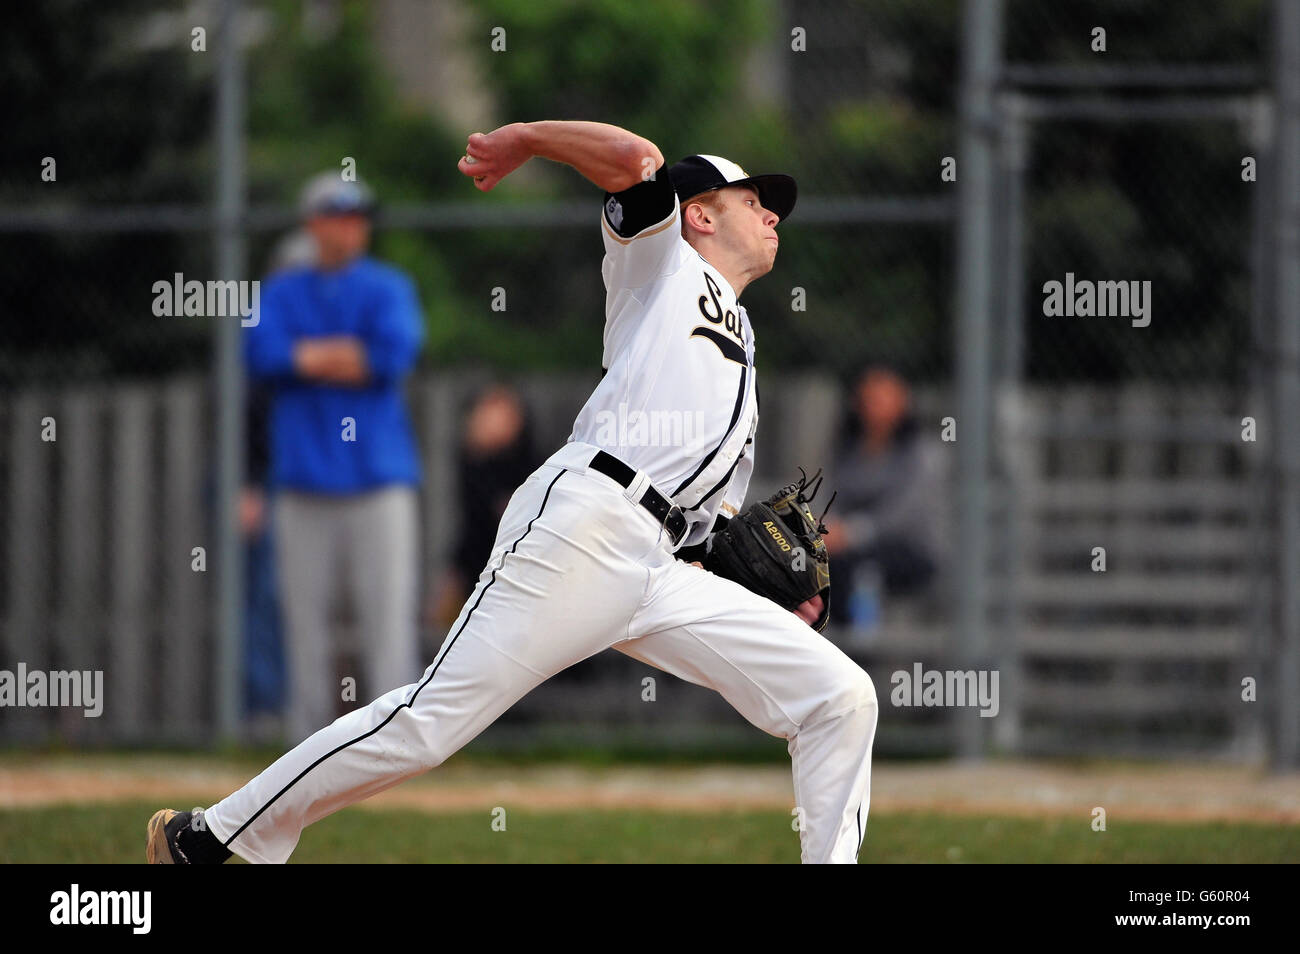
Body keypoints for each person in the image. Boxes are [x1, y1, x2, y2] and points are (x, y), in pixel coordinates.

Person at [148, 121, 877, 865]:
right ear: (700, 213)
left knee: (840, 697)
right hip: (586, 529)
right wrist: (526, 139)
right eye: (754, 199)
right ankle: (211, 836)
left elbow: (710, 521)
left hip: (659, 568)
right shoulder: (661, 268)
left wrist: (741, 574)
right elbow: (635, 162)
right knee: (428, 724)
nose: (771, 216)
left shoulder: (743, 342)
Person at [239, 173, 425, 744]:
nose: (350, 226)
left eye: (358, 216)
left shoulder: (387, 285)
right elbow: (262, 354)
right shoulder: (281, 291)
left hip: (378, 479)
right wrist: (348, 355)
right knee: (304, 630)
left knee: (387, 626)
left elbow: (392, 355)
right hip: (302, 483)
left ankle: (397, 749)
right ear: (312, 223)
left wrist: (305, 357)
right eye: (337, 215)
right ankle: (305, 753)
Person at [825, 367, 944, 629]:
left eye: (882, 399)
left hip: (908, 549)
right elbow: (834, 497)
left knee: (863, 570)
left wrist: (852, 533)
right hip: (851, 549)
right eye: (868, 399)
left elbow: (904, 513)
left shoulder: (921, 453)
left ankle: (862, 642)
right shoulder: (849, 449)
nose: (873, 407)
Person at [429, 384, 538, 628]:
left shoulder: (535, 472)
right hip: (480, 584)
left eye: (498, 410)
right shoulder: (472, 468)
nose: (485, 419)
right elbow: (472, 532)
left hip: (526, 587)